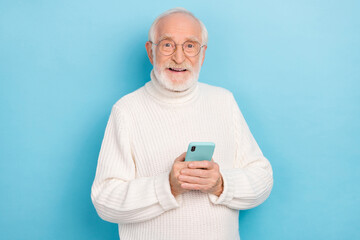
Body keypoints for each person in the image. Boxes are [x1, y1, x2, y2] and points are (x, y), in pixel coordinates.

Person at [91, 7, 273, 240]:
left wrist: (220, 184)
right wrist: (167, 186)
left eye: (190, 45)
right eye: (167, 44)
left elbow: (263, 178)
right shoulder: (127, 110)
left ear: (202, 54)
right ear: (151, 52)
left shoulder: (224, 101)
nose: (179, 57)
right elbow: (104, 200)